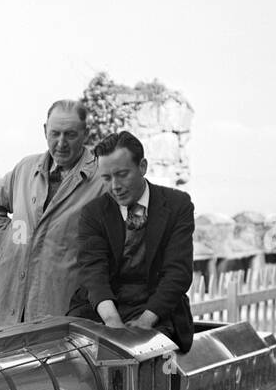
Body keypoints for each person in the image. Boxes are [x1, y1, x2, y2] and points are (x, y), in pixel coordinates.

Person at [0, 99, 106, 326]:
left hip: (61, 315)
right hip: (7, 309)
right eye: (55, 133)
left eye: (70, 134)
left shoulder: (103, 180)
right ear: (45, 130)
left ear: (85, 134)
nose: (61, 143)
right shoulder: (26, 168)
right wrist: (12, 242)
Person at [69, 131, 195, 353]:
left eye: (122, 174)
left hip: (156, 312)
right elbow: (93, 273)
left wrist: (145, 322)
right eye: (106, 178)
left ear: (143, 167)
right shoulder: (93, 213)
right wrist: (113, 323)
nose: (115, 186)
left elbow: (178, 273)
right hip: (103, 309)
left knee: (150, 357)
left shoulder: (178, 205)